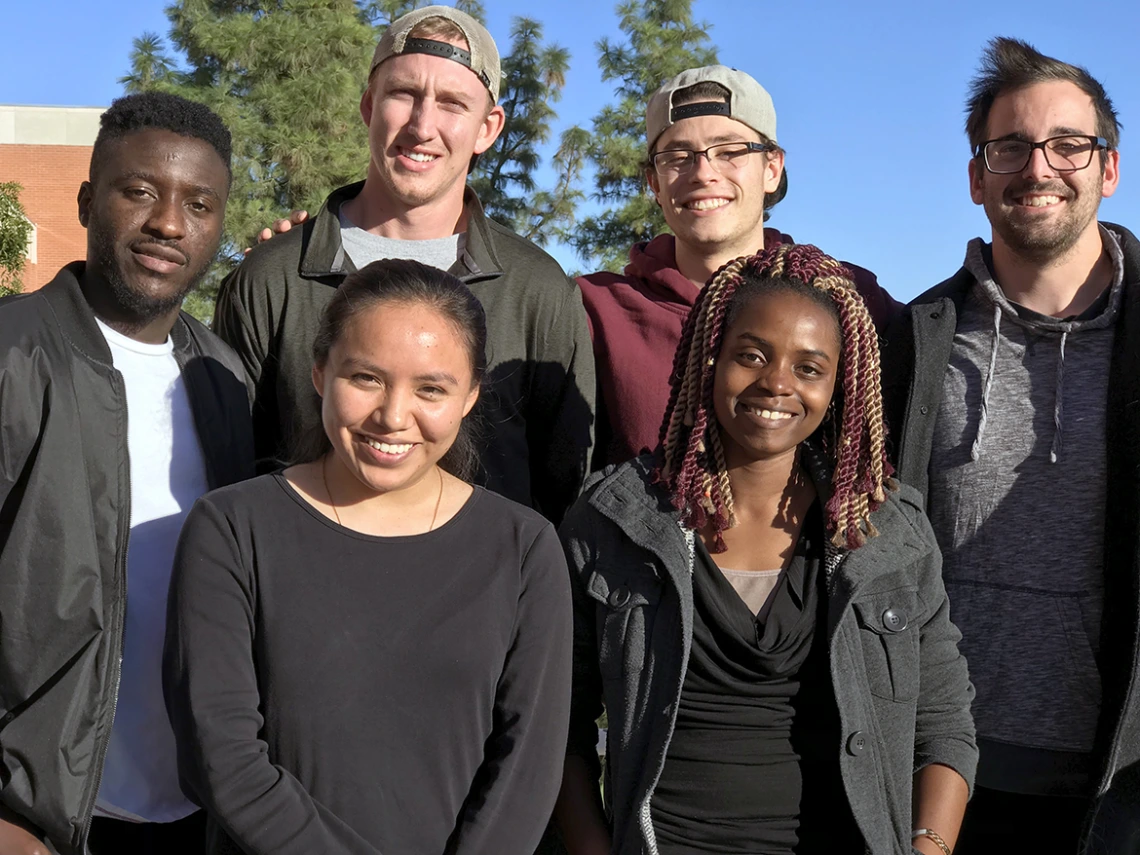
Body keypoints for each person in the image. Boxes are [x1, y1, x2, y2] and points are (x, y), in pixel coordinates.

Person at [557, 243, 976, 855]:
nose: (777, 382)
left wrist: (928, 847)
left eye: (810, 368)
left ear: (842, 385)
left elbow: (944, 726)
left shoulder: (891, 531)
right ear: (709, 357)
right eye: (751, 355)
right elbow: (557, 724)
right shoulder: (617, 519)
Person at [165, 258, 573, 855]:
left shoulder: (523, 548)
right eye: (366, 378)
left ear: (470, 398)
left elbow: (528, 769)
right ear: (319, 370)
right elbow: (219, 754)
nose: (393, 416)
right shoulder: (233, 528)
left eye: (431, 388)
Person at [882, 37, 1140, 852]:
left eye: (1068, 144)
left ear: (1109, 168)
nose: (1039, 167)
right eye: (1010, 147)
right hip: (942, 778)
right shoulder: (913, 342)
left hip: (1121, 782)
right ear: (975, 177)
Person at [216, 5, 593, 524]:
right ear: (370, 105)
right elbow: (227, 479)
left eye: (452, 103)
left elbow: (567, 495)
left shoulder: (539, 293)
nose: (422, 125)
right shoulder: (272, 278)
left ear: (488, 128)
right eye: (404, 94)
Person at [0, 93, 253, 855]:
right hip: (39, 820)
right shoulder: (12, 354)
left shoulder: (224, 379)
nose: (168, 223)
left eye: (198, 203)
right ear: (86, 200)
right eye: (139, 191)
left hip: (191, 814)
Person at [577, 66, 903, 467]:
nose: (703, 173)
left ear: (772, 168)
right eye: (678, 157)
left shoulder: (848, 297)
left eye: (730, 151)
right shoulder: (592, 309)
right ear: (655, 183)